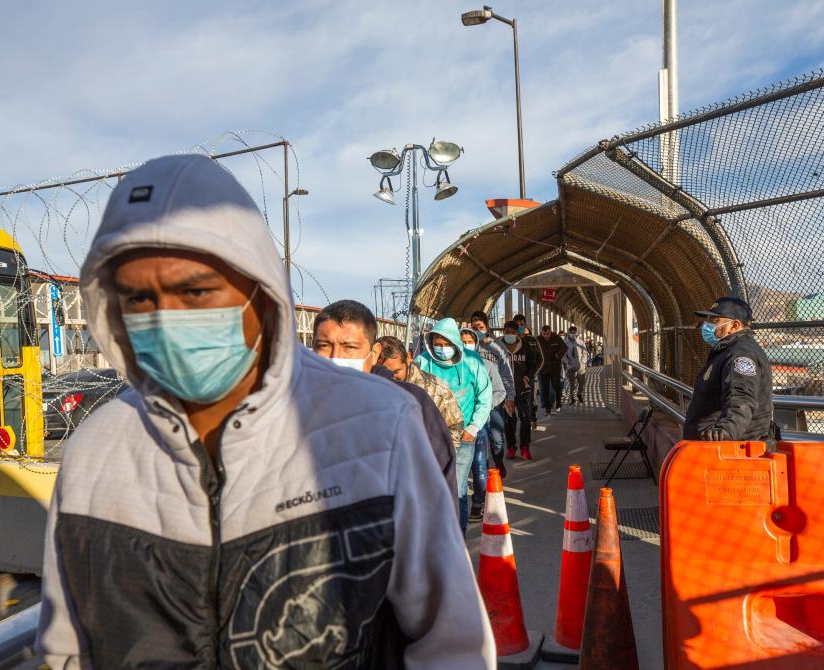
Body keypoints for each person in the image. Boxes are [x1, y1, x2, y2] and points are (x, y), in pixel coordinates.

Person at [36, 155, 495, 668]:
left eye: (195, 290)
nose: (167, 319)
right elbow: (66, 645)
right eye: (139, 298)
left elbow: (451, 641)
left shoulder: (379, 426)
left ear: (260, 291)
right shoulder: (97, 451)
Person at [311, 301, 460, 505]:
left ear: (373, 353)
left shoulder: (412, 404)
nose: (335, 357)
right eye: (324, 346)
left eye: (349, 347)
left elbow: (440, 482)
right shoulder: (297, 407)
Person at [415, 318, 492, 533]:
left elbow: (484, 396)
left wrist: (473, 428)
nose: (442, 349)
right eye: (437, 344)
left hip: (463, 439)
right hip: (429, 438)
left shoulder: (472, 361)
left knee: (457, 492)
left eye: (446, 344)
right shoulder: (422, 362)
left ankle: (458, 543)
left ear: (455, 343)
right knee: (430, 491)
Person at [684, 297, 774, 441]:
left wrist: (723, 433)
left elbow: (741, 399)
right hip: (708, 446)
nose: (706, 326)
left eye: (714, 321)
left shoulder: (740, 354)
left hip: (728, 450)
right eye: (707, 320)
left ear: (735, 325)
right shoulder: (727, 351)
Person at [375, 334, 464, 456]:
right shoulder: (370, 389)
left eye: (396, 371)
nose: (391, 377)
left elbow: (454, 426)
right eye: (384, 372)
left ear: (408, 358)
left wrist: (440, 458)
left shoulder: (434, 388)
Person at [460, 327, 506, 522]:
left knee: (479, 465)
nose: (465, 345)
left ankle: (478, 503)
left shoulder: (486, 364)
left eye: (469, 341)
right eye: (461, 341)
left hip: (479, 425)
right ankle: (458, 503)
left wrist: (486, 408)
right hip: (454, 427)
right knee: (460, 468)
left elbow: (499, 391)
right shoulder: (450, 366)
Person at [468, 311, 514, 479]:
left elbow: (507, 373)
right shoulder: (468, 346)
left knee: (497, 437)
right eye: (474, 328)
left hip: (495, 399)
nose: (477, 331)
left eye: (480, 327)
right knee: (480, 438)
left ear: (486, 327)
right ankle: (483, 470)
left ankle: (498, 460)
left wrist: (510, 396)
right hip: (474, 400)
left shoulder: (497, 347)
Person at [497, 320, 538, 460]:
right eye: (507, 332)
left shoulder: (525, 346)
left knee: (525, 419)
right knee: (509, 421)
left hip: (523, 390)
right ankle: (511, 448)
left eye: (512, 333)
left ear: (517, 334)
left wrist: (528, 375)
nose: (509, 335)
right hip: (506, 391)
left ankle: (525, 447)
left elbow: (536, 362)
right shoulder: (497, 346)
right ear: (503, 332)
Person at [511, 313, 544, 425]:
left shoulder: (531, 340)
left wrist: (531, 374)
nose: (520, 327)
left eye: (522, 324)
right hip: (512, 379)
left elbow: (539, 359)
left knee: (530, 401)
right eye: (517, 324)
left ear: (525, 325)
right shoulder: (507, 341)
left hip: (528, 378)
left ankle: (531, 419)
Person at [537, 324, 566, 415]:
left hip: (555, 367)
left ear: (551, 332)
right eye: (544, 334)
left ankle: (558, 402)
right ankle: (547, 408)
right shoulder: (538, 339)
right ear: (541, 333)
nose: (546, 336)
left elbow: (564, 347)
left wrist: (558, 355)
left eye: (548, 334)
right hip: (542, 368)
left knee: (556, 386)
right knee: (544, 389)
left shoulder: (556, 338)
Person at [564, 325, 590, 404]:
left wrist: (583, 362)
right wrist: (567, 361)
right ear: (569, 333)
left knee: (582, 382)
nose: (573, 334)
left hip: (581, 367)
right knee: (572, 384)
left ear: (576, 333)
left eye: (574, 332)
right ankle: (572, 398)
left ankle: (579, 393)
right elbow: (563, 354)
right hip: (571, 367)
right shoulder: (566, 343)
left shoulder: (581, 342)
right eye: (571, 332)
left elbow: (585, 353)